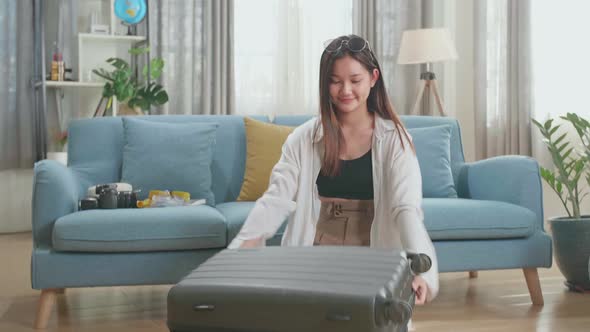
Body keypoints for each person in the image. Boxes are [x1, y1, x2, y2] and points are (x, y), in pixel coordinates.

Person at [228, 34, 439, 305]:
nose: (345, 91)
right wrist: (240, 249)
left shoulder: (395, 140)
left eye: (355, 80)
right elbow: (275, 199)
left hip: (374, 246)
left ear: (374, 78)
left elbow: (406, 209)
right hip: (318, 246)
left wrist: (421, 271)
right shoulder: (303, 138)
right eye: (335, 81)